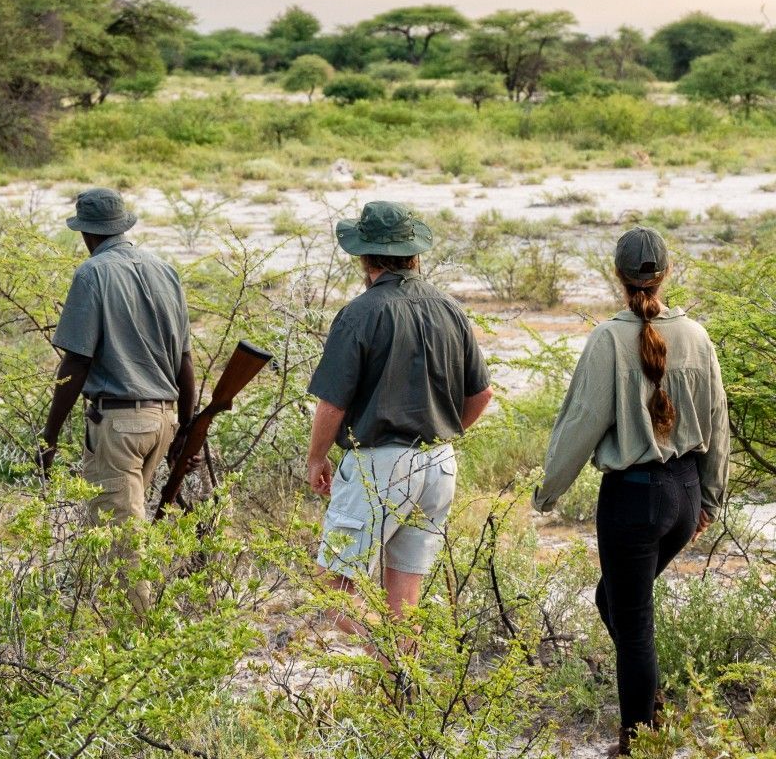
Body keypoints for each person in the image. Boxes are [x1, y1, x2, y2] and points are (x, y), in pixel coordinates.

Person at [534, 227, 729, 756]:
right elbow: (718, 421)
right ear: (667, 271)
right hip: (684, 493)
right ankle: (654, 708)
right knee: (613, 600)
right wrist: (710, 497)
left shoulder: (607, 339)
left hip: (634, 498)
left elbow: (580, 424)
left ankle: (640, 740)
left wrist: (546, 492)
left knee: (634, 622)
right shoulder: (697, 334)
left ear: (617, 276)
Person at [306, 201, 493, 649]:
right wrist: (441, 434)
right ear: (414, 253)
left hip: (380, 464)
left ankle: (385, 647)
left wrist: (316, 458)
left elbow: (332, 404)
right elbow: (482, 394)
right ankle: (401, 697)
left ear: (365, 257)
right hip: (438, 464)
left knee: (332, 593)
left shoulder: (361, 312)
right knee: (403, 601)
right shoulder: (450, 308)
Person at [38, 187, 196, 614]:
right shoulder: (165, 270)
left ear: (87, 233)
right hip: (162, 422)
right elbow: (185, 360)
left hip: (121, 425)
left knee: (121, 545)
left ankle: (135, 650)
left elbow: (76, 361)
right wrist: (186, 427)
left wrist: (48, 436)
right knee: (128, 532)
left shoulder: (92, 273)